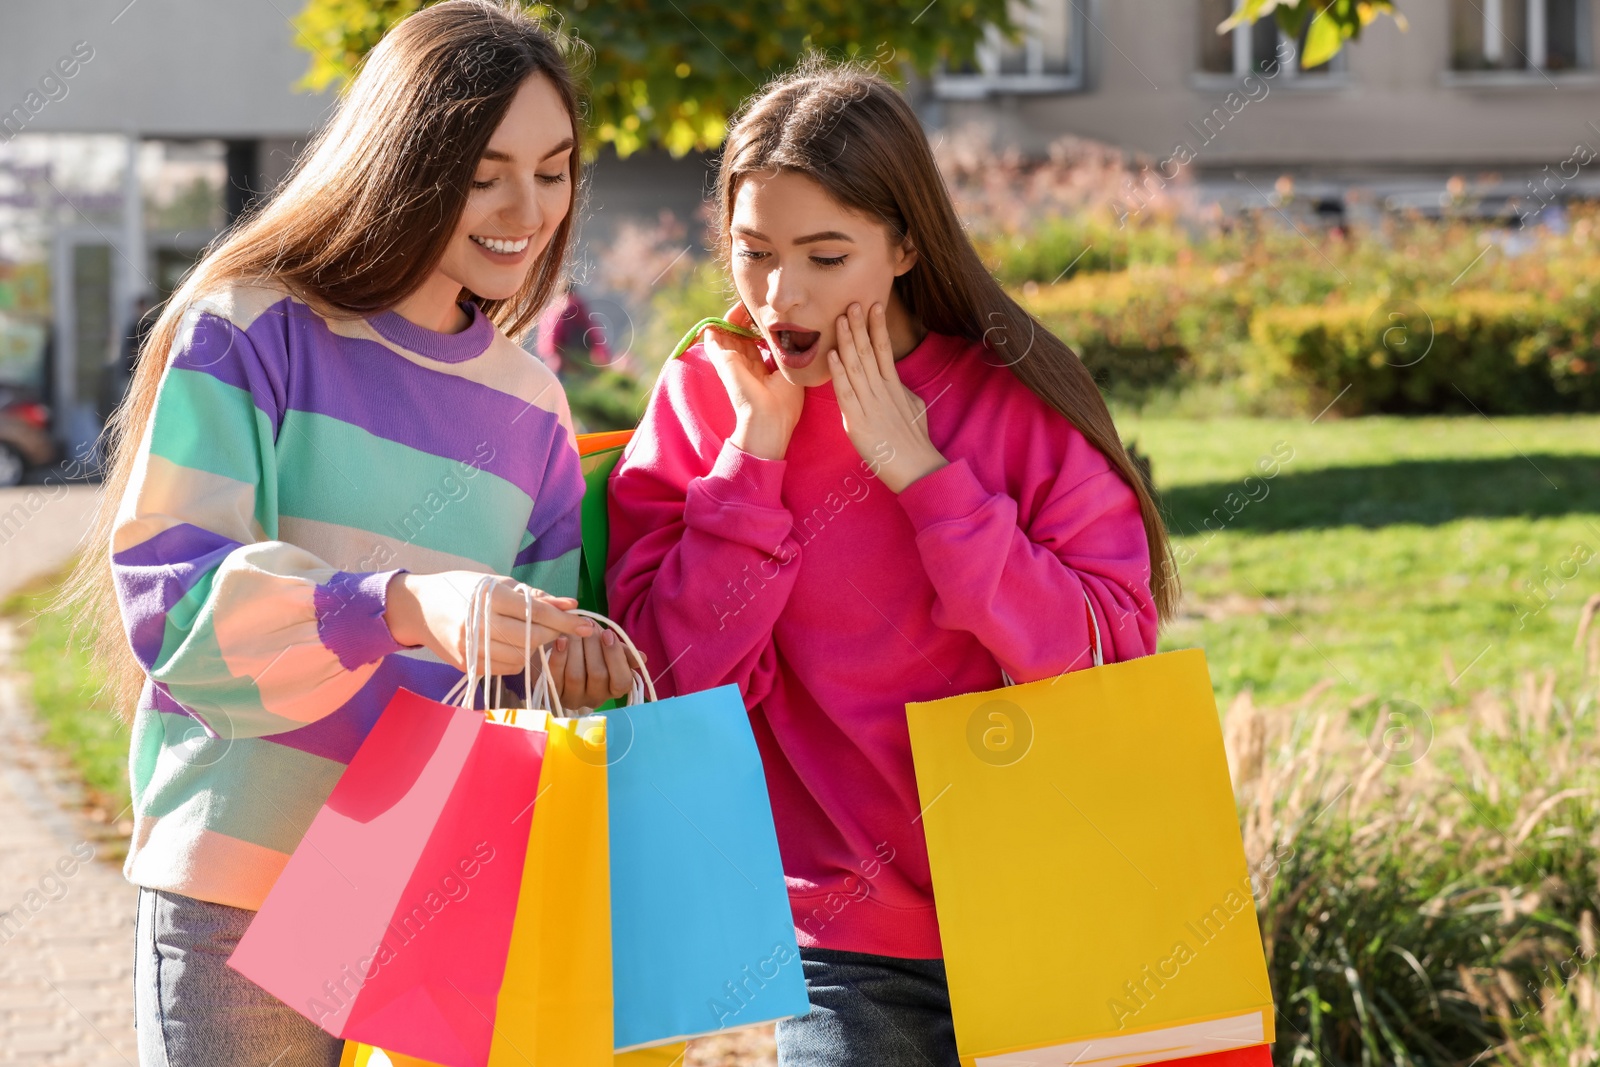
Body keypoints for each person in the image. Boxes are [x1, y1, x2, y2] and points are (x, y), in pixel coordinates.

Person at [61, 4, 634, 1063]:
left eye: (553, 170)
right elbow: (173, 595)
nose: (529, 208)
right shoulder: (251, 326)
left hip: (429, 885)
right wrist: (406, 605)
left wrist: (571, 661)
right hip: (243, 874)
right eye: (485, 171)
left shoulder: (534, 405)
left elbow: (521, 690)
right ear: (406, 160)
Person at [605, 59, 1179, 1067]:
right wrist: (753, 461)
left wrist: (924, 474)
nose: (782, 294)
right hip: (846, 931)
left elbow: (1104, 654)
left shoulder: (1012, 401)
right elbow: (672, 683)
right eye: (754, 252)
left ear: (907, 241)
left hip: (1054, 897)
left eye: (827, 255)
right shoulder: (708, 398)